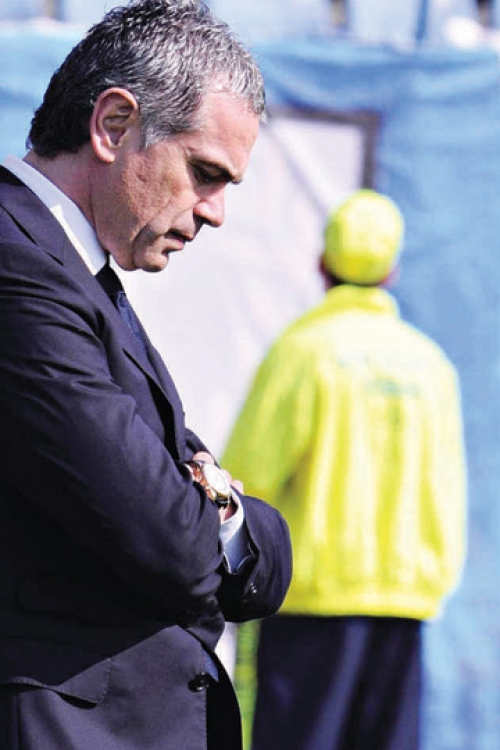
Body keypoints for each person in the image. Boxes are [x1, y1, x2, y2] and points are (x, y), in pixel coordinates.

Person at [0, 2, 292, 749]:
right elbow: (167, 539)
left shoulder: (74, 272)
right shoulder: (17, 263)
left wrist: (208, 508)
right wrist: (226, 509)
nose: (215, 212)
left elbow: (197, 527)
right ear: (114, 125)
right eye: (204, 173)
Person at [222, 189, 467, 750]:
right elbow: (446, 490)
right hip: (406, 604)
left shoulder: (303, 353)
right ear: (392, 270)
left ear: (322, 263)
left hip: (309, 606)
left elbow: (244, 478)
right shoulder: (430, 366)